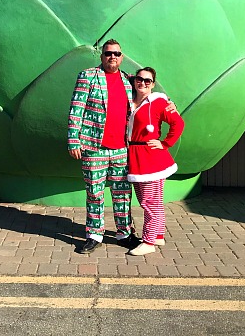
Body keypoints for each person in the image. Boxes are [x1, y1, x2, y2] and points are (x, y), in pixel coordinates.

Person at [67, 39, 141, 254]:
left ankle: (124, 233)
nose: (112, 57)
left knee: (122, 193)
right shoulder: (88, 76)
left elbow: (148, 94)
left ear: (122, 57)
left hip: (121, 150)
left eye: (116, 54)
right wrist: (74, 139)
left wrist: (168, 102)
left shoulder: (129, 80)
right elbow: (76, 108)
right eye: (108, 53)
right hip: (94, 147)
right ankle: (94, 234)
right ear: (102, 56)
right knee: (94, 193)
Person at [126, 67, 184, 256]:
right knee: (154, 201)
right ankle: (158, 234)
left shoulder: (158, 102)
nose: (142, 83)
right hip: (135, 155)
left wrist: (165, 143)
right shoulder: (131, 99)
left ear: (153, 83)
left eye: (147, 81)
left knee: (149, 202)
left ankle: (148, 241)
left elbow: (178, 123)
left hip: (150, 157)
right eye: (139, 79)